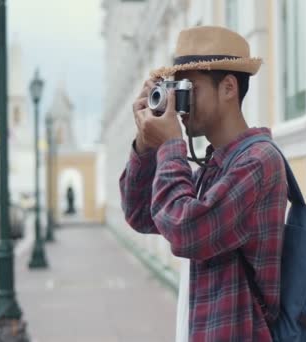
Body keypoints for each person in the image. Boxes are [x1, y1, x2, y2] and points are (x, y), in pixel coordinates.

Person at [119, 26, 287, 341]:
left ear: (228, 88)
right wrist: (145, 145)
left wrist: (171, 146)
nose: (180, 104)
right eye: (176, 90)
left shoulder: (258, 161)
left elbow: (187, 232)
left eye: (190, 88)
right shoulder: (214, 165)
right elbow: (141, 214)